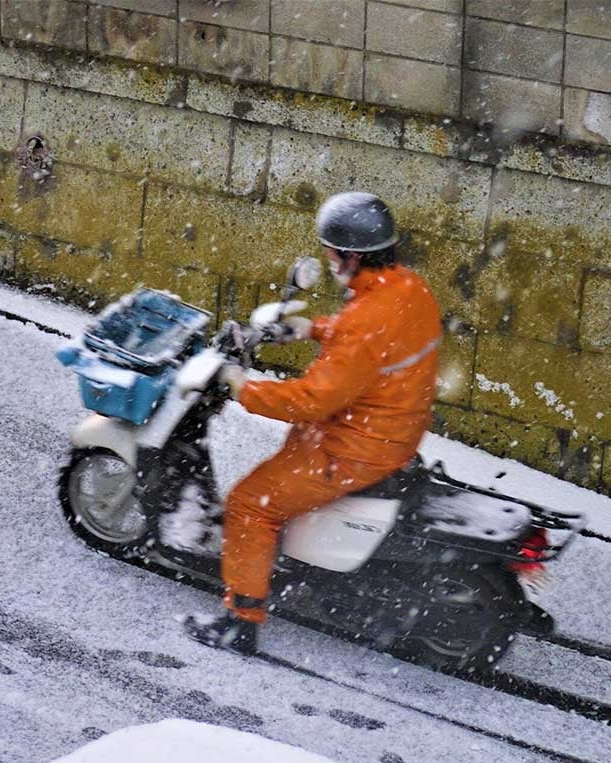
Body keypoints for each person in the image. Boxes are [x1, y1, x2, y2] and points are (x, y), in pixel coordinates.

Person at [181, 191, 443, 655]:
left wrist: (242, 387)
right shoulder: (407, 289)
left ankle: (240, 621)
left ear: (351, 256)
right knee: (275, 481)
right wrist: (312, 328)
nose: (328, 258)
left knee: (249, 505)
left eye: (331, 251)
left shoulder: (366, 319)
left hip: (351, 446)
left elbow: (311, 400)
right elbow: (372, 338)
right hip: (393, 429)